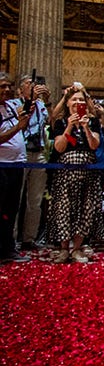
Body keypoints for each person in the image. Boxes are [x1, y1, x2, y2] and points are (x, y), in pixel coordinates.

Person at [47, 84, 103, 264]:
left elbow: (94, 145)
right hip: (66, 170)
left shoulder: (92, 121)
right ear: (68, 103)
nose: (78, 102)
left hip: (88, 169)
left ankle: (77, 248)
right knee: (64, 208)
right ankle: (64, 249)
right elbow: (59, 147)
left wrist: (85, 128)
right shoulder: (62, 122)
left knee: (86, 208)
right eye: (74, 99)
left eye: (81, 100)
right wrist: (70, 127)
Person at [0, 73, 33, 263]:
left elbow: (25, 107)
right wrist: (18, 127)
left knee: (11, 209)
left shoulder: (11, 106)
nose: (6, 90)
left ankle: (7, 249)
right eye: (2, 86)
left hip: (16, 164)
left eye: (9, 86)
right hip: (2, 165)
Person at [17, 74, 50, 251]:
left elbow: (49, 123)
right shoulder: (14, 104)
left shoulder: (41, 105)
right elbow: (21, 119)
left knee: (35, 200)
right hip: (20, 153)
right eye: (29, 84)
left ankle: (29, 238)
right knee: (15, 198)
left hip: (39, 152)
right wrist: (30, 101)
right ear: (20, 89)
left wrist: (48, 100)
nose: (33, 86)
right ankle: (11, 238)